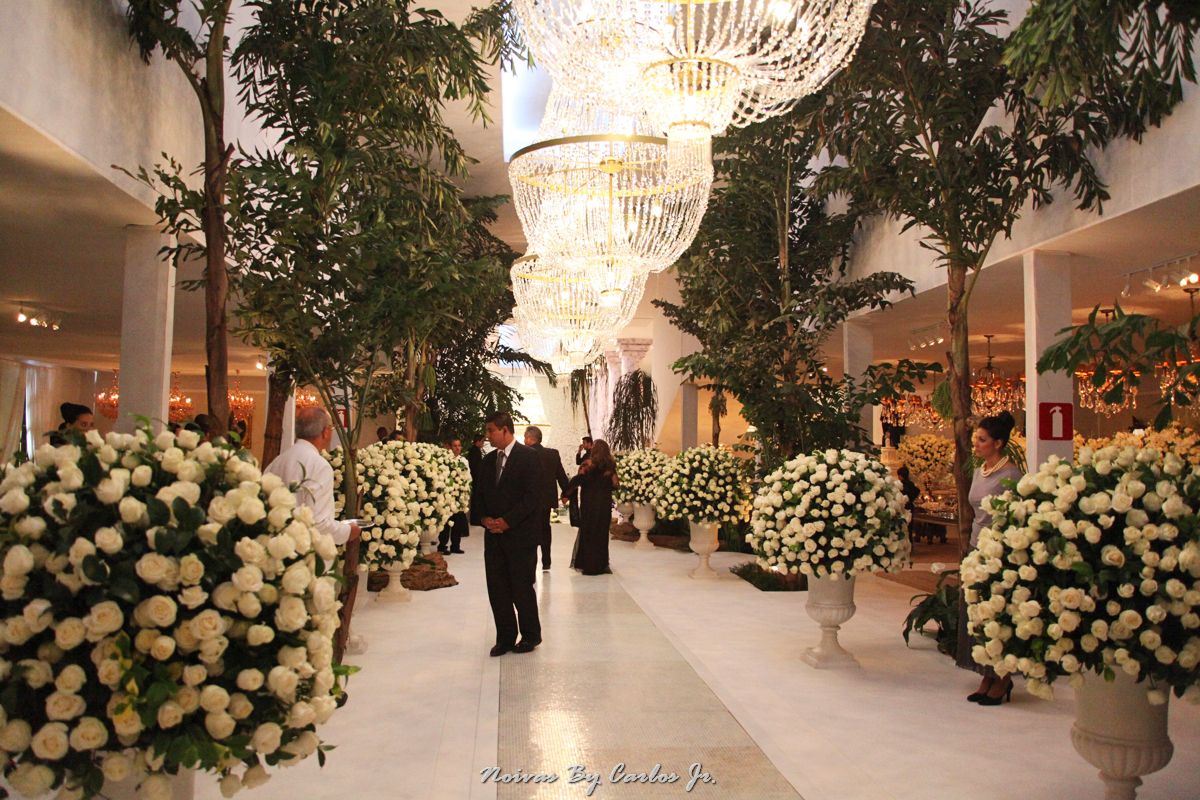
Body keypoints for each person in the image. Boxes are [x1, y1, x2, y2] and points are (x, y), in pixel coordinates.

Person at [962, 411, 1023, 706]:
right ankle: (985, 674)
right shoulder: (979, 471)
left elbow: (1016, 514)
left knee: (997, 613)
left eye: (982, 440)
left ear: (998, 443)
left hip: (999, 551)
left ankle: (1002, 677)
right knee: (978, 614)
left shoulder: (1011, 475)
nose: (976, 444)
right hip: (977, 546)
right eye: (976, 439)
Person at [479, 411, 545, 656]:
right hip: (493, 536)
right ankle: (505, 637)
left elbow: (533, 497)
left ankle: (530, 635)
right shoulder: (488, 461)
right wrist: (484, 518)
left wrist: (508, 521)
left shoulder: (529, 457)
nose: (488, 436)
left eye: (491, 430)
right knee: (497, 588)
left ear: (505, 430)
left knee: (521, 587)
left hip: (520, 535)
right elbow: (480, 495)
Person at [264, 407, 361, 547]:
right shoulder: (319, 466)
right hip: (304, 548)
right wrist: (348, 531)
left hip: (277, 544)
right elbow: (318, 523)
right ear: (325, 432)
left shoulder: (278, 460)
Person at [565, 439, 617, 576]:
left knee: (588, 532)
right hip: (604, 504)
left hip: (589, 503)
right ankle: (602, 564)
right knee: (602, 533)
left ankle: (587, 564)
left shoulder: (587, 465)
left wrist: (566, 494)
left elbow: (577, 480)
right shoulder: (610, 466)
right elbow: (615, 484)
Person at [523, 426, 569, 571]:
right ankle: (546, 560)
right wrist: (566, 493)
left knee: (529, 529)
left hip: (528, 500)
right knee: (545, 528)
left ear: (529, 438)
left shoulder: (524, 454)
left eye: (525, 438)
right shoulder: (552, 454)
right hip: (546, 499)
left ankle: (530, 562)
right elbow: (561, 476)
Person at [438, 438, 470, 555]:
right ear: (450, 447)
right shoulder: (445, 460)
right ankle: (442, 545)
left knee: (458, 521)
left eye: (459, 445)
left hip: (460, 494)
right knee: (446, 521)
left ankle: (455, 545)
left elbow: (468, 476)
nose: (457, 448)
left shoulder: (463, 460)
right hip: (448, 494)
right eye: (455, 446)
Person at [466, 434, 486, 528]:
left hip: (475, 477)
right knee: (476, 499)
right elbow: (476, 466)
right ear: (477, 441)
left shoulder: (474, 450)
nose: (483, 443)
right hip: (476, 478)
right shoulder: (475, 451)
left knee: (475, 498)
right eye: (482, 441)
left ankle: (475, 519)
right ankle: (475, 519)